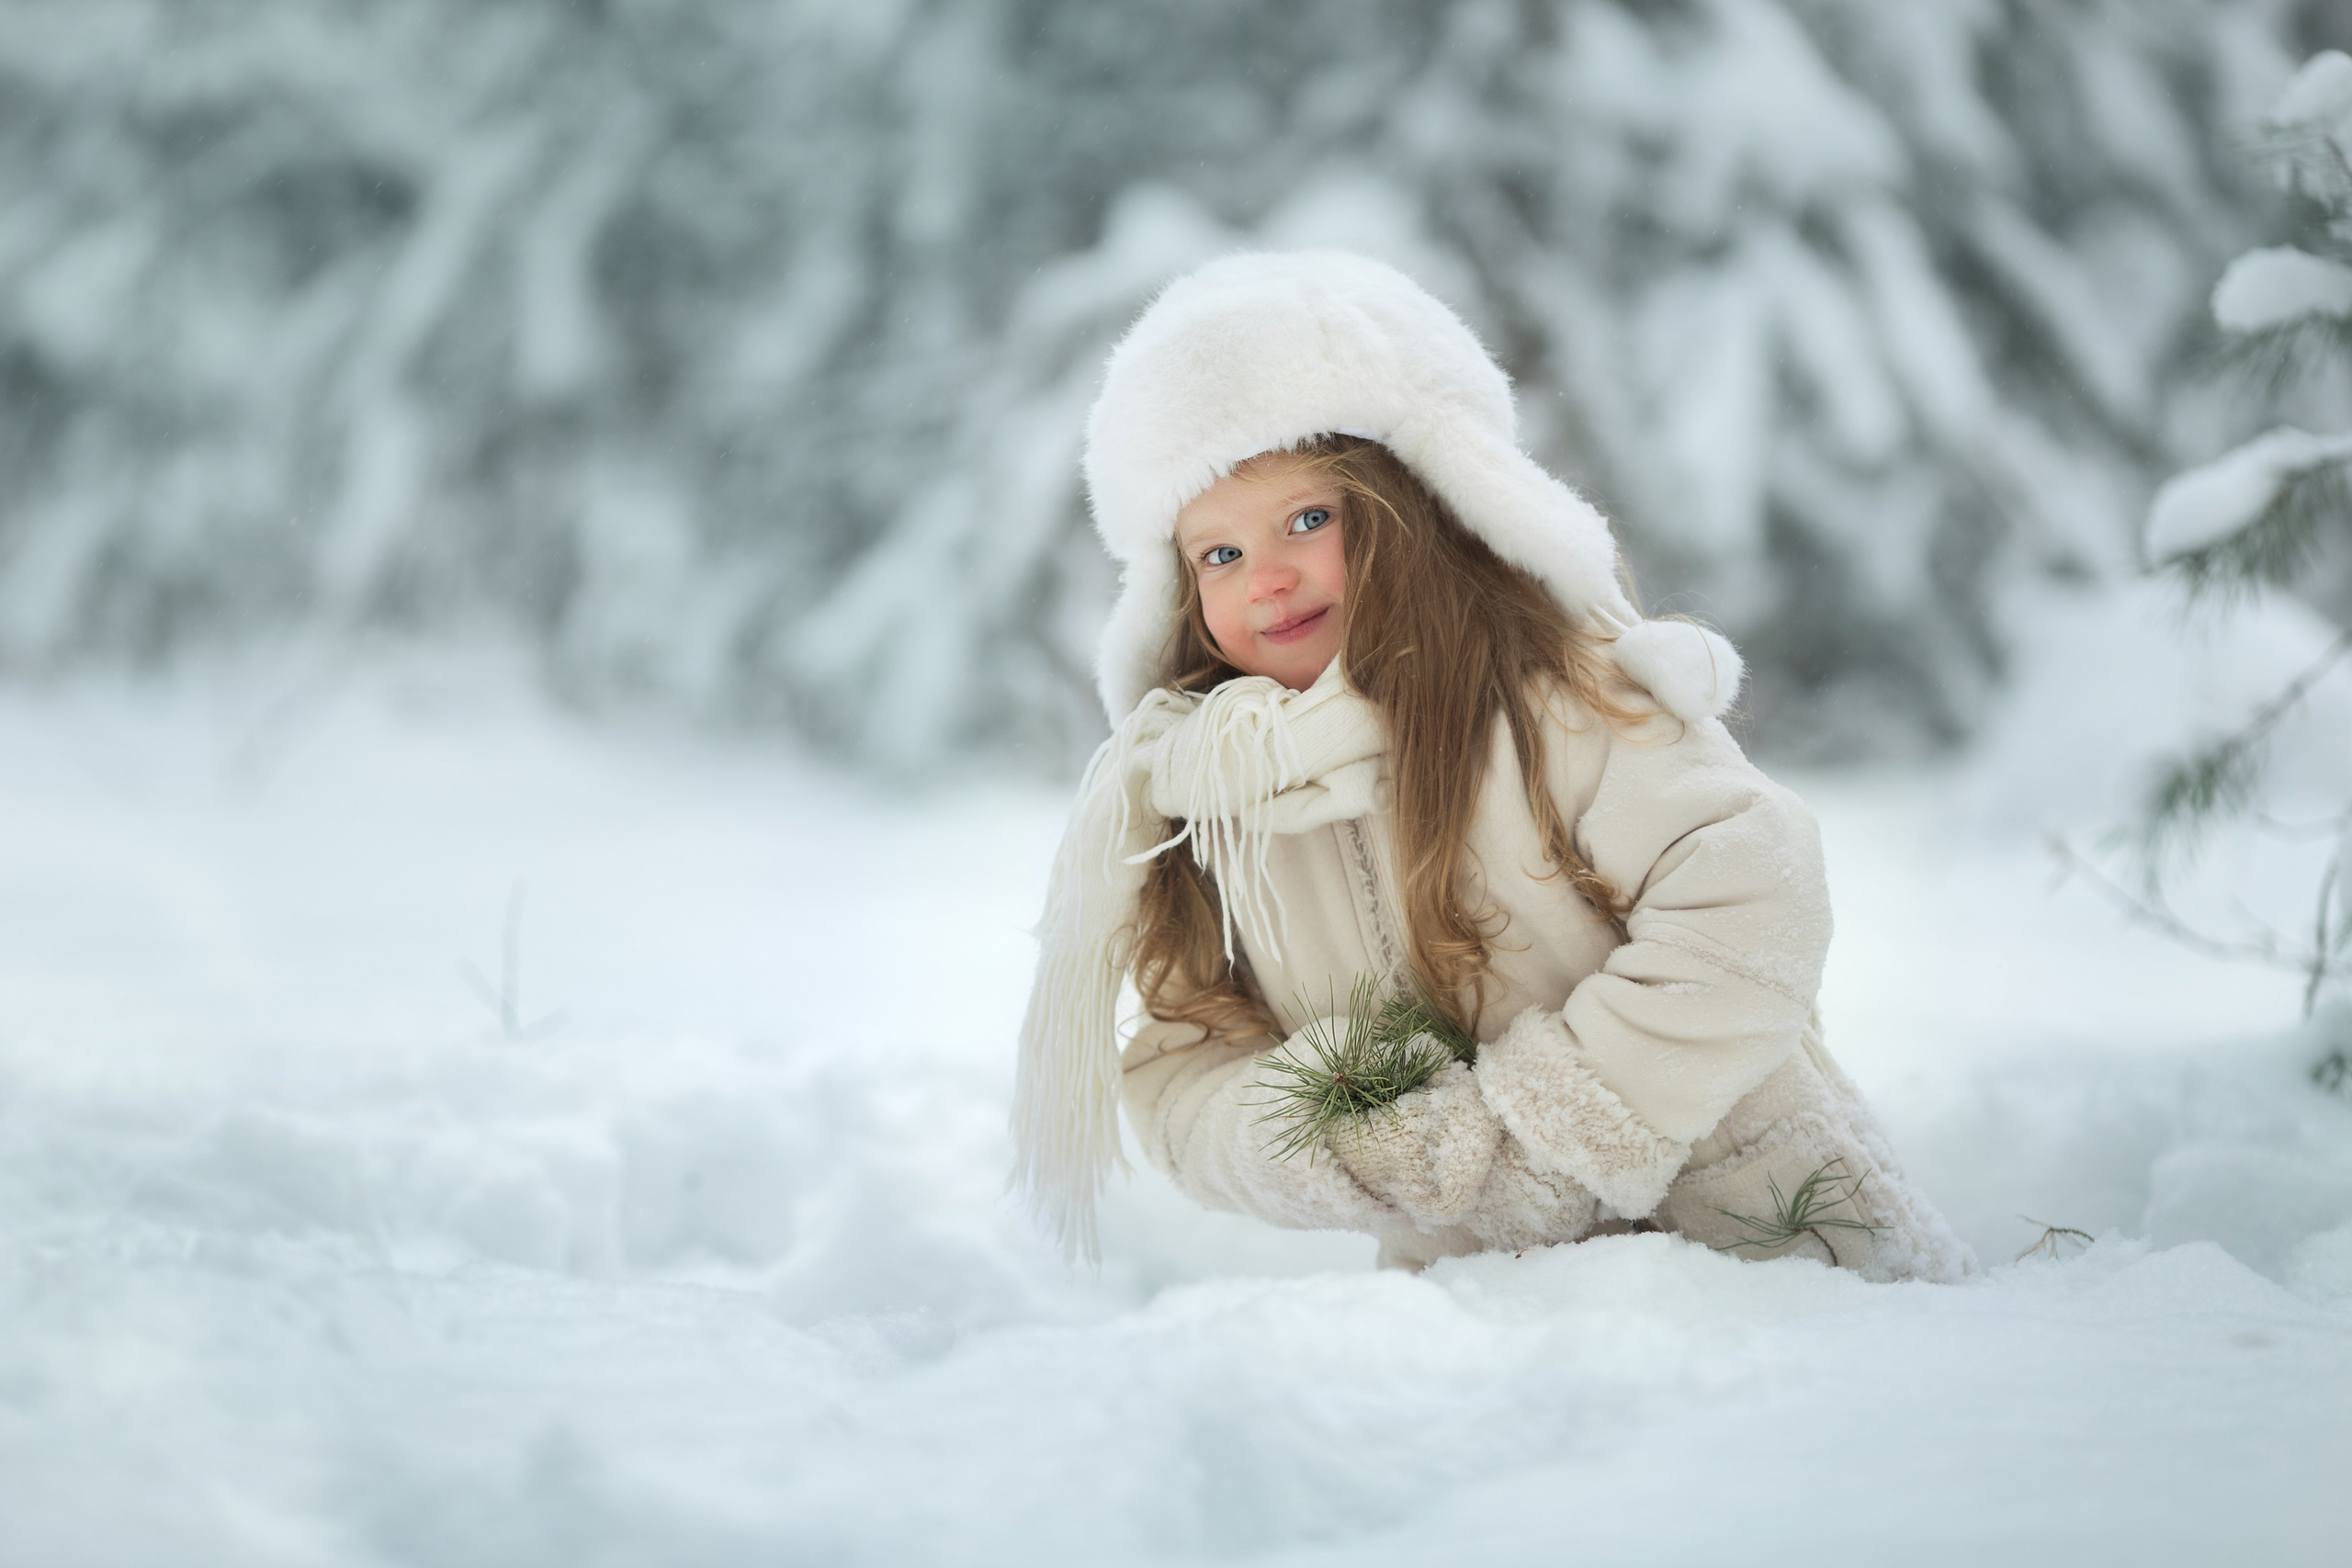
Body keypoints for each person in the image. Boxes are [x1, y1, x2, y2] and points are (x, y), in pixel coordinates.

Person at [1012, 250, 1973, 1282]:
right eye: (1219, 554)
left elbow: (1751, 892)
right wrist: (1361, 1150)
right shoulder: (1209, 808)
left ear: (1414, 508)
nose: (1268, 578)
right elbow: (1181, 1068)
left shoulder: (1561, 698)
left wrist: (1551, 1130)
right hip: (1481, 1314)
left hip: (1763, 1251)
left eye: (1307, 519)